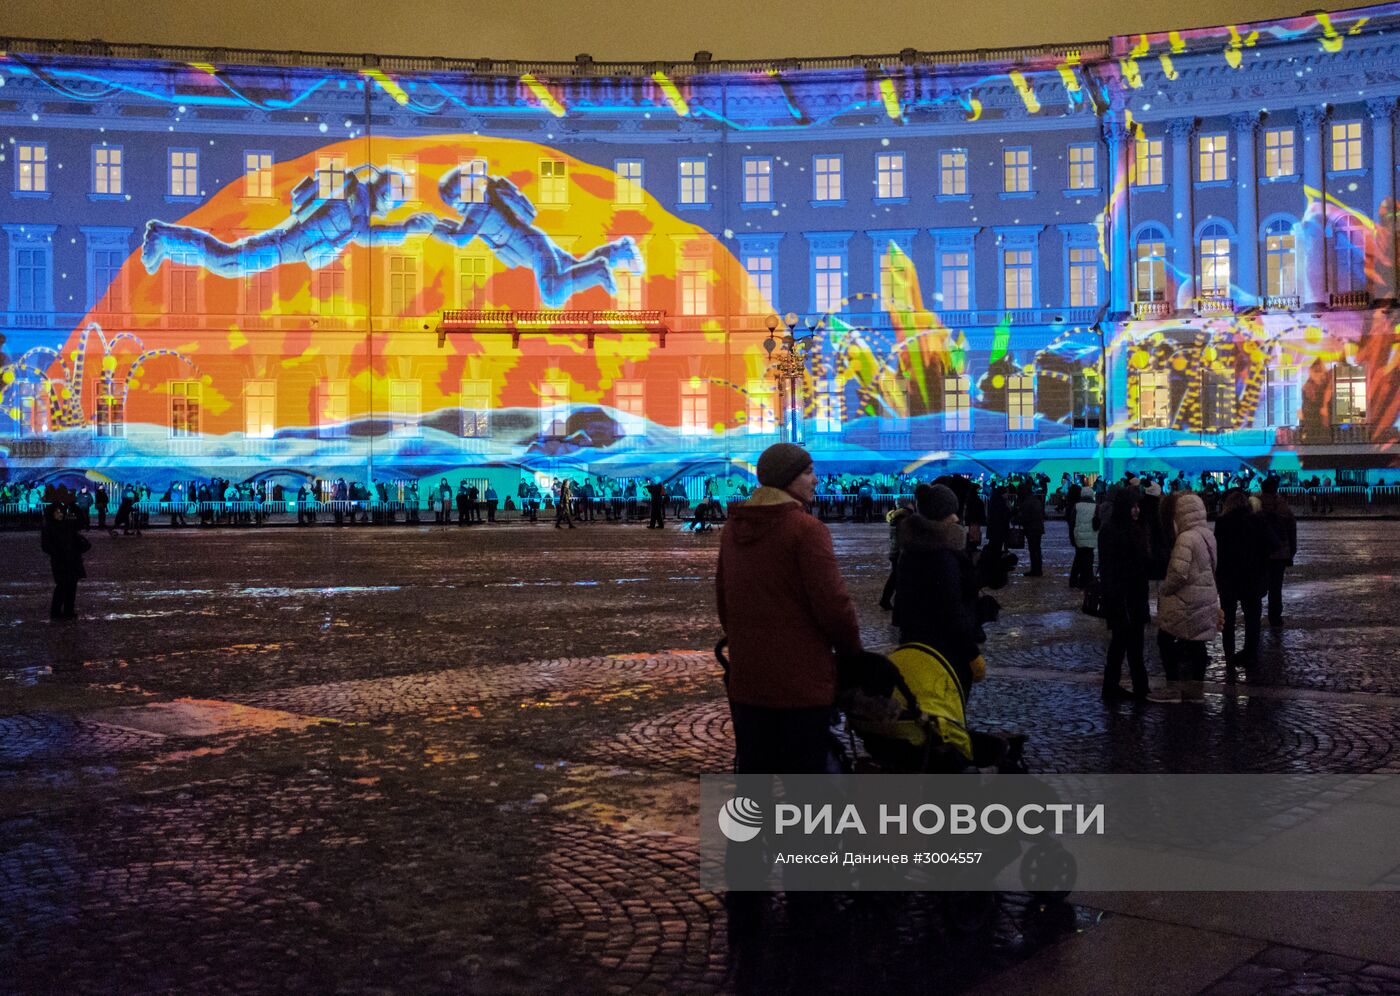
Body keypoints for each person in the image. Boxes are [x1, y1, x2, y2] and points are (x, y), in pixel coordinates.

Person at [717, 442, 862, 775]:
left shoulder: (733, 529)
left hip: (748, 682)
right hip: (801, 685)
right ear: (787, 479)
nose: (816, 480)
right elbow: (834, 605)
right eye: (808, 472)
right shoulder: (806, 530)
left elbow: (724, 600)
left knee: (754, 783)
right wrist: (853, 657)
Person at [893, 483, 983, 689]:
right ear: (942, 517)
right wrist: (972, 652)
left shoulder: (910, 551)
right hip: (945, 651)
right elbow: (952, 611)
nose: (957, 519)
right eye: (952, 513)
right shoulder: (943, 557)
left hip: (915, 645)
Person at [1151, 492, 1220, 704]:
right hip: (1205, 595)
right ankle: (1195, 691)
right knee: (1197, 644)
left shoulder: (1185, 538)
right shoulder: (1207, 534)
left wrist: (1165, 589)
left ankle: (1173, 688)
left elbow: (1178, 573)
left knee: (1165, 638)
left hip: (1185, 599)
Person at [1097, 488, 1151, 702]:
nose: (1137, 510)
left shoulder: (1132, 529)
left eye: (1138, 506)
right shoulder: (1113, 531)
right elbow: (1110, 569)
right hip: (1123, 598)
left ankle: (1118, 686)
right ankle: (1132, 687)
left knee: (1127, 645)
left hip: (1134, 596)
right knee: (1126, 644)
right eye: (1133, 506)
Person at [1214, 489, 1269, 670]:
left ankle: (1229, 655)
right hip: (1252, 577)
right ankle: (1250, 653)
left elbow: (1218, 551)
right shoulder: (1257, 521)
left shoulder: (1222, 522)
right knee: (1252, 619)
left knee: (1227, 620)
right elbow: (1274, 543)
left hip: (1228, 578)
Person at [1257, 477, 1297, 627]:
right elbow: (1292, 530)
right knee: (1276, 587)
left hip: (1260, 552)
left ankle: (1256, 614)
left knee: (1258, 586)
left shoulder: (1256, 505)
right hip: (1279, 553)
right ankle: (1275, 617)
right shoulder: (1283, 507)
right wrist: (1291, 551)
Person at [41, 503, 90, 620]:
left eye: (61, 512)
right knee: (62, 586)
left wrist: (73, 506)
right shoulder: (49, 528)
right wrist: (58, 552)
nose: (60, 514)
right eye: (57, 512)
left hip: (72, 559)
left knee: (72, 586)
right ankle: (56, 612)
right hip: (60, 560)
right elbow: (46, 546)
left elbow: (81, 521)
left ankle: (69, 611)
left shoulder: (68, 523)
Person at [878, 499, 913, 611]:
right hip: (900, 552)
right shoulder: (903, 518)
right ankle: (888, 600)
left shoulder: (896, 517)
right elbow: (905, 536)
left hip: (895, 551)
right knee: (897, 578)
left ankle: (887, 600)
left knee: (895, 577)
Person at [1068, 484, 1098, 590]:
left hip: (1079, 536)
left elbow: (1072, 522)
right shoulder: (1095, 506)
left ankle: (1074, 580)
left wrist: (1072, 536)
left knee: (1079, 558)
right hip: (1091, 536)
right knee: (1088, 559)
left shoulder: (1077, 506)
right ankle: (1086, 580)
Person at [1013, 481, 1045, 577]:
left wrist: (1017, 520)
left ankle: (1036, 570)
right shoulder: (1034, 499)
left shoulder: (1027, 502)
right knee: (1036, 549)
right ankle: (1037, 569)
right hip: (1037, 527)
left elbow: (1026, 516)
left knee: (1034, 550)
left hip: (1032, 528)